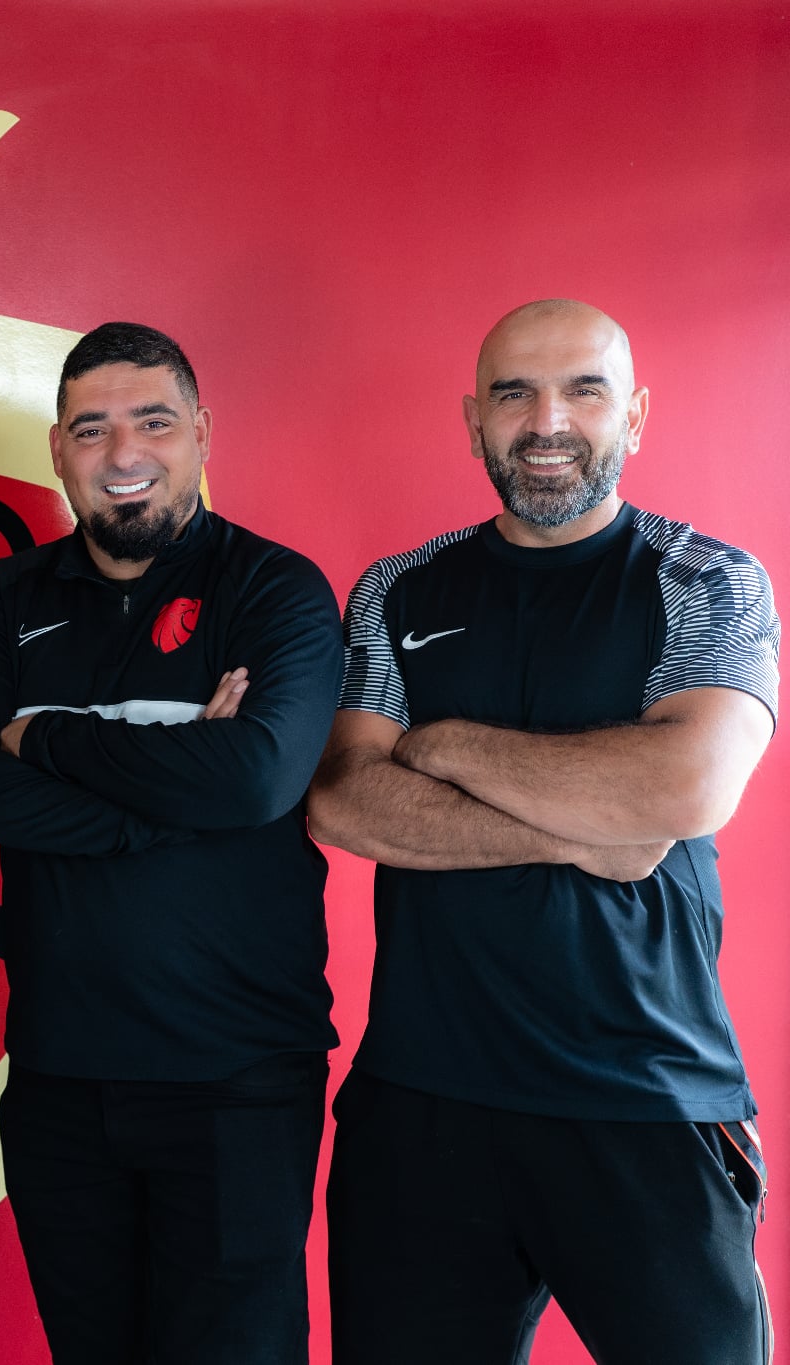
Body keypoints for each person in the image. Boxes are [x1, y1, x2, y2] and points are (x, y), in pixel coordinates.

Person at [308, 299, 779, 1364]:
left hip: (648, 1099)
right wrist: (589, 831)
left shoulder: (705, 579)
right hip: (423, 1102)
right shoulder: (397, 591)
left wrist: (444, 744)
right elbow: (341, 797)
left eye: (583, 391)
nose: (546, 422)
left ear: (635, 415)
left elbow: (685, 786)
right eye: (514, 394)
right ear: (473, 419)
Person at [0, 322, 342, 1362]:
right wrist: (167, 794)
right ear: (57, 451)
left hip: (239, 1079)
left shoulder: (274, 588)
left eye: (153, 422)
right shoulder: (11, 598)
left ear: (200, 434)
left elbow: (255, 778)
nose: (123, 454)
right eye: (91, 429)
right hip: (61, 1074)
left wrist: (46, 738)